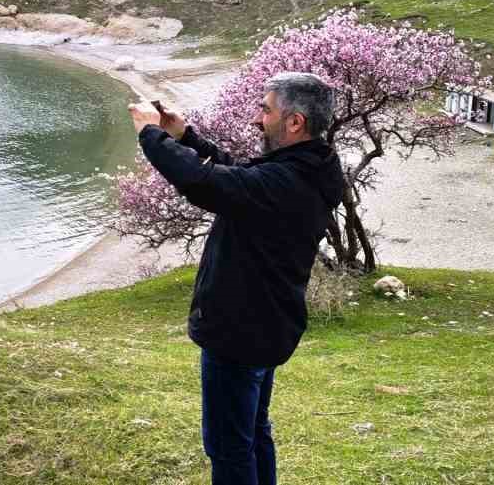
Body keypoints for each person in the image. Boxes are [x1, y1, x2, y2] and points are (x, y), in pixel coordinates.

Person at [128, 72, 345, 485]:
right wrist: (186, 137)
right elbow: (241, 180)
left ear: (294, 121)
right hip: (267, 325)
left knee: (229, 448)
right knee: (254, 433)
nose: (257, 119)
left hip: (239, 332)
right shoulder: (312, 167)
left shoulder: (286, 180)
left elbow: (205, 182)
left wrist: (150, 135)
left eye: (266, 110)